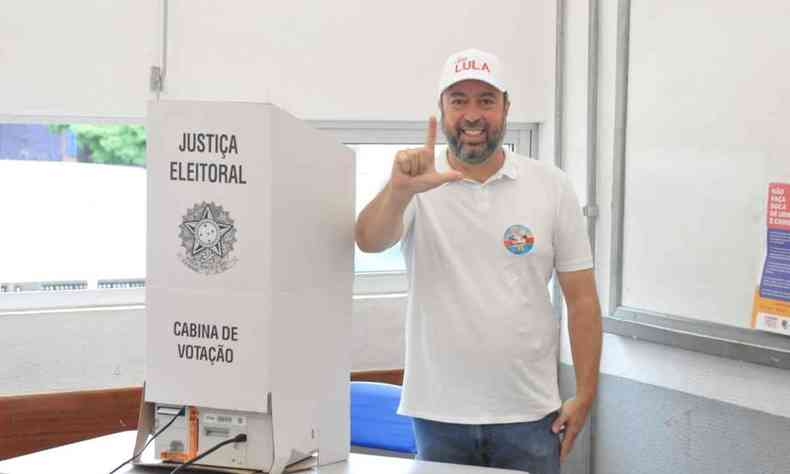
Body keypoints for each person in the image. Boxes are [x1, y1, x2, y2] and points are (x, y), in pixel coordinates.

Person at [355, 49, 602, 474]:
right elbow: (368, 241)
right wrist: (399, 190)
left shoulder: (551, 185)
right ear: (442, 110)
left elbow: (581, 300)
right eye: (459, 100)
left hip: (529, 413)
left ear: (505, 107)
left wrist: (585, 393)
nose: (473, 114)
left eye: (486, 100)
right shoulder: (416, 181)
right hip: (439, 414)